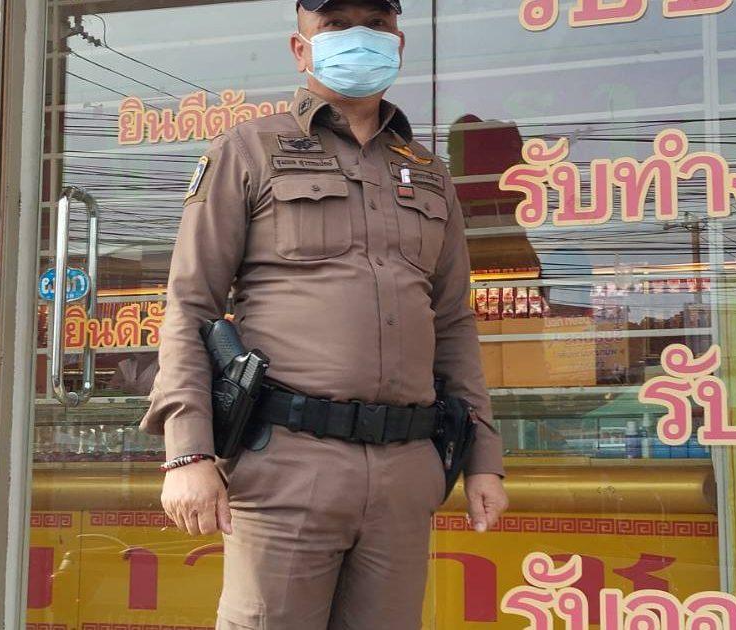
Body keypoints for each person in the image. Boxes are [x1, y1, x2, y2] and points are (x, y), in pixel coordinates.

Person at [139, 0, 508, 627]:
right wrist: (188, 452)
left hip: (404, 470)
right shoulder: (248, 149)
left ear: (398, 43)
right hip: (287, 462)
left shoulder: (428, 173)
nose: (359, 37)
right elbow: (192, 304)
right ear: (299, 47)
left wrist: (483, 460)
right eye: (335, 24)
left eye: (377, 25)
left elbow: (453, 323)